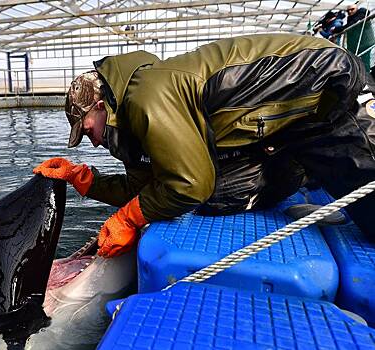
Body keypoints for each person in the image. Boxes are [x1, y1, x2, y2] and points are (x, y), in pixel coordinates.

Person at [34, 33, 375, 258]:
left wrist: (129, 218)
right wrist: (85, 180)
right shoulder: (131, 120)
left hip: (326, 91)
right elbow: (146, 187)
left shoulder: (147, 96)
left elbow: (189, 185)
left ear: (98, 105)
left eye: (86, 129)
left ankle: (304, 166)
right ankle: (299, 168)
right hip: (286, 130)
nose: (91, 142)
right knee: (215, 197)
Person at [333, 3, 375, 71]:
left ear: (357, 9)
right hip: (357, 45)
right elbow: (348, 26)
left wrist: (337, 29)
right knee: (357, 61)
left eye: (352, 9)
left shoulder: (361, 13)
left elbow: (364, 13)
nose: (350, 11)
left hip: (365, 43)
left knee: (365, 61)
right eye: (348, 10)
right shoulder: (350, 18)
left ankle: (366, 76)